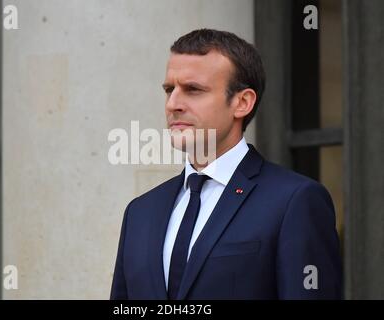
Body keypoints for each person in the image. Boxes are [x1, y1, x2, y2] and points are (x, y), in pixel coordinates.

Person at [110, 29, 342, 299]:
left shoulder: (295, 201)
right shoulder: (140, 212)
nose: (173, 104)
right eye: (169, 89)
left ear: (242, 102)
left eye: (193, 90)